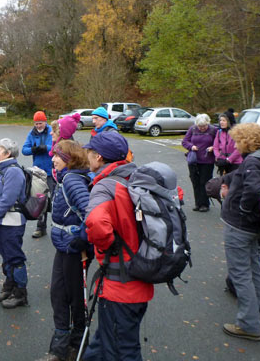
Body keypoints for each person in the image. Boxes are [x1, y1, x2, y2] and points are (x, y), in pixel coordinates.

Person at [82, 130, 154, 360]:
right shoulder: (136, 177)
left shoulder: (106, 186)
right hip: (141, 273)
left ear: (99, 157)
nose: (87, 156)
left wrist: (107, 246)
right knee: (105, 340)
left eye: (90, 152)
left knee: (123, 350)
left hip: (120, 283)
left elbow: (95, 223)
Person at [38, 140, 92, 361]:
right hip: (65, 247)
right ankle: (61, 348)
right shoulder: (65, 178)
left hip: (74, 249)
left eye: (58, 156)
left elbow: (91, 212)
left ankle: (74, 348)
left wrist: (82, 239)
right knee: (59, 294)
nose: (53, 159)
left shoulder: (72, 180)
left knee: (74, 298)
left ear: (69, 158)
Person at [219, 123, 260, 341]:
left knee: (241, 273)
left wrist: (242, 209)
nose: (235, 145)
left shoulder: (254, 161)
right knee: (254, 270)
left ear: (246, 140)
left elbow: (252, 189)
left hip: (241, 226)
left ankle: (248, 325)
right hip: (254, 227)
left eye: (237, 141)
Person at [0, 138, 29, 308]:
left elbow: (8, 200)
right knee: (6, 255)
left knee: (15, 257)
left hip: (12, 221)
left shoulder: (13, 171)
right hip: (3, 220)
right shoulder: (2, 169)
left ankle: (20, 293)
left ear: (8, 153)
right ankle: (9, 287)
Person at [22, 111, 54, 238]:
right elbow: (24, 150)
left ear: (45, 122)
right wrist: (34, 149)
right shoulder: (32, 133)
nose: (38, 126)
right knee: (40, 199)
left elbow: (53, 146)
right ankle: (41, 227)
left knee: (56, 198)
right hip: (38, 172)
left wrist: (44, 148)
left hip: (51, 171)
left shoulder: (51, 131)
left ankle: (58, 225)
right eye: (36, 123)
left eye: (40, 123)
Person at [182, 114, 217, 212]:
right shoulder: (192, 129)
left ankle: (205, 204)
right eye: (200, 126)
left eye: (204, 126)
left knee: (204, 182)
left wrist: (213, 148)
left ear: (208, 123)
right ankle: (198, 203)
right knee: (195, 182)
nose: (202, 128)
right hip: (194, 160)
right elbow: (185, 141)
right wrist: (191, 146)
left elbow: (218, 143)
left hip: (207, 161)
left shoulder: (213, 130)